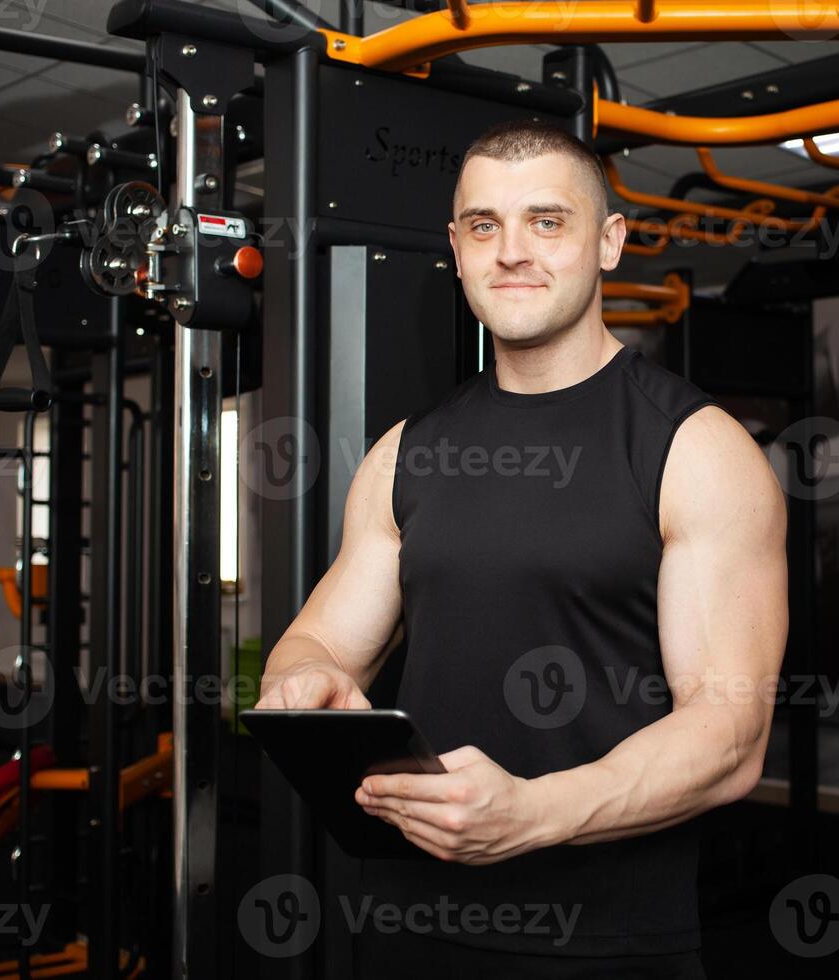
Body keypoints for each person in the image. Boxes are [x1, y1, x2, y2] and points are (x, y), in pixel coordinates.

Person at [256, 118, 788, 978]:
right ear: (458, 252)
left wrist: (532, 813)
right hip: (402, 931)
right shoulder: (406, 452)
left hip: (606, 946)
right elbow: (314, 642)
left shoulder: (693, 449)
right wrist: (300, 680)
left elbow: (730, 734)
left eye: (547, 221)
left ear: (609, 242)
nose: (510, 252)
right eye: (482, 226)